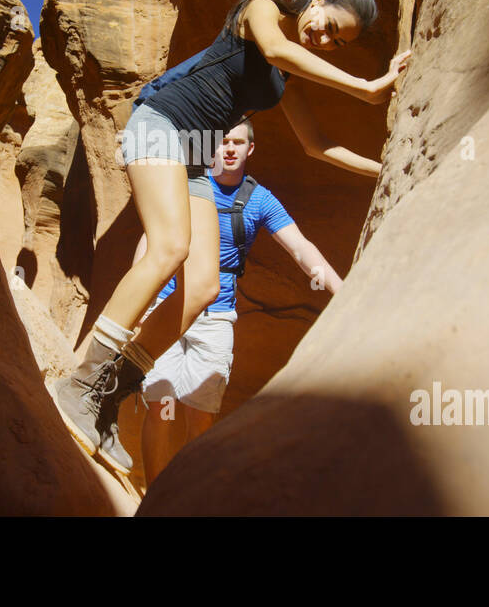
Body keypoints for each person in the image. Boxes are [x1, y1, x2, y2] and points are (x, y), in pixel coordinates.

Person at [50, 0, 410, 469]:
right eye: (329, 27)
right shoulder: (261, 10)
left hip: (196, 155)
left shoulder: (283, 78)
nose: (324, 40)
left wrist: (387, 168)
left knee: (201, 288)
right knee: (170, 248)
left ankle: (107, 398)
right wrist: (365, 88)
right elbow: (277, 48)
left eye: (337, 42)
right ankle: (81, 383)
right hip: (161, 124)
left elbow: (315, 144)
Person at [130, 118, 345, 481]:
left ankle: (192, 499)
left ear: (250, 149)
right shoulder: (188, 185)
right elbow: (152, 238)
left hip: (215, 318)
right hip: (167, 308)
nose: (229, 149)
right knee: (161, 407)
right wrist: (138, 301)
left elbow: (299, 247)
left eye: (238, 143)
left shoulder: (259, 199)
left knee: (200, 417)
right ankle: (154, 500)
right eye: (223, 141)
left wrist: (342, 291)